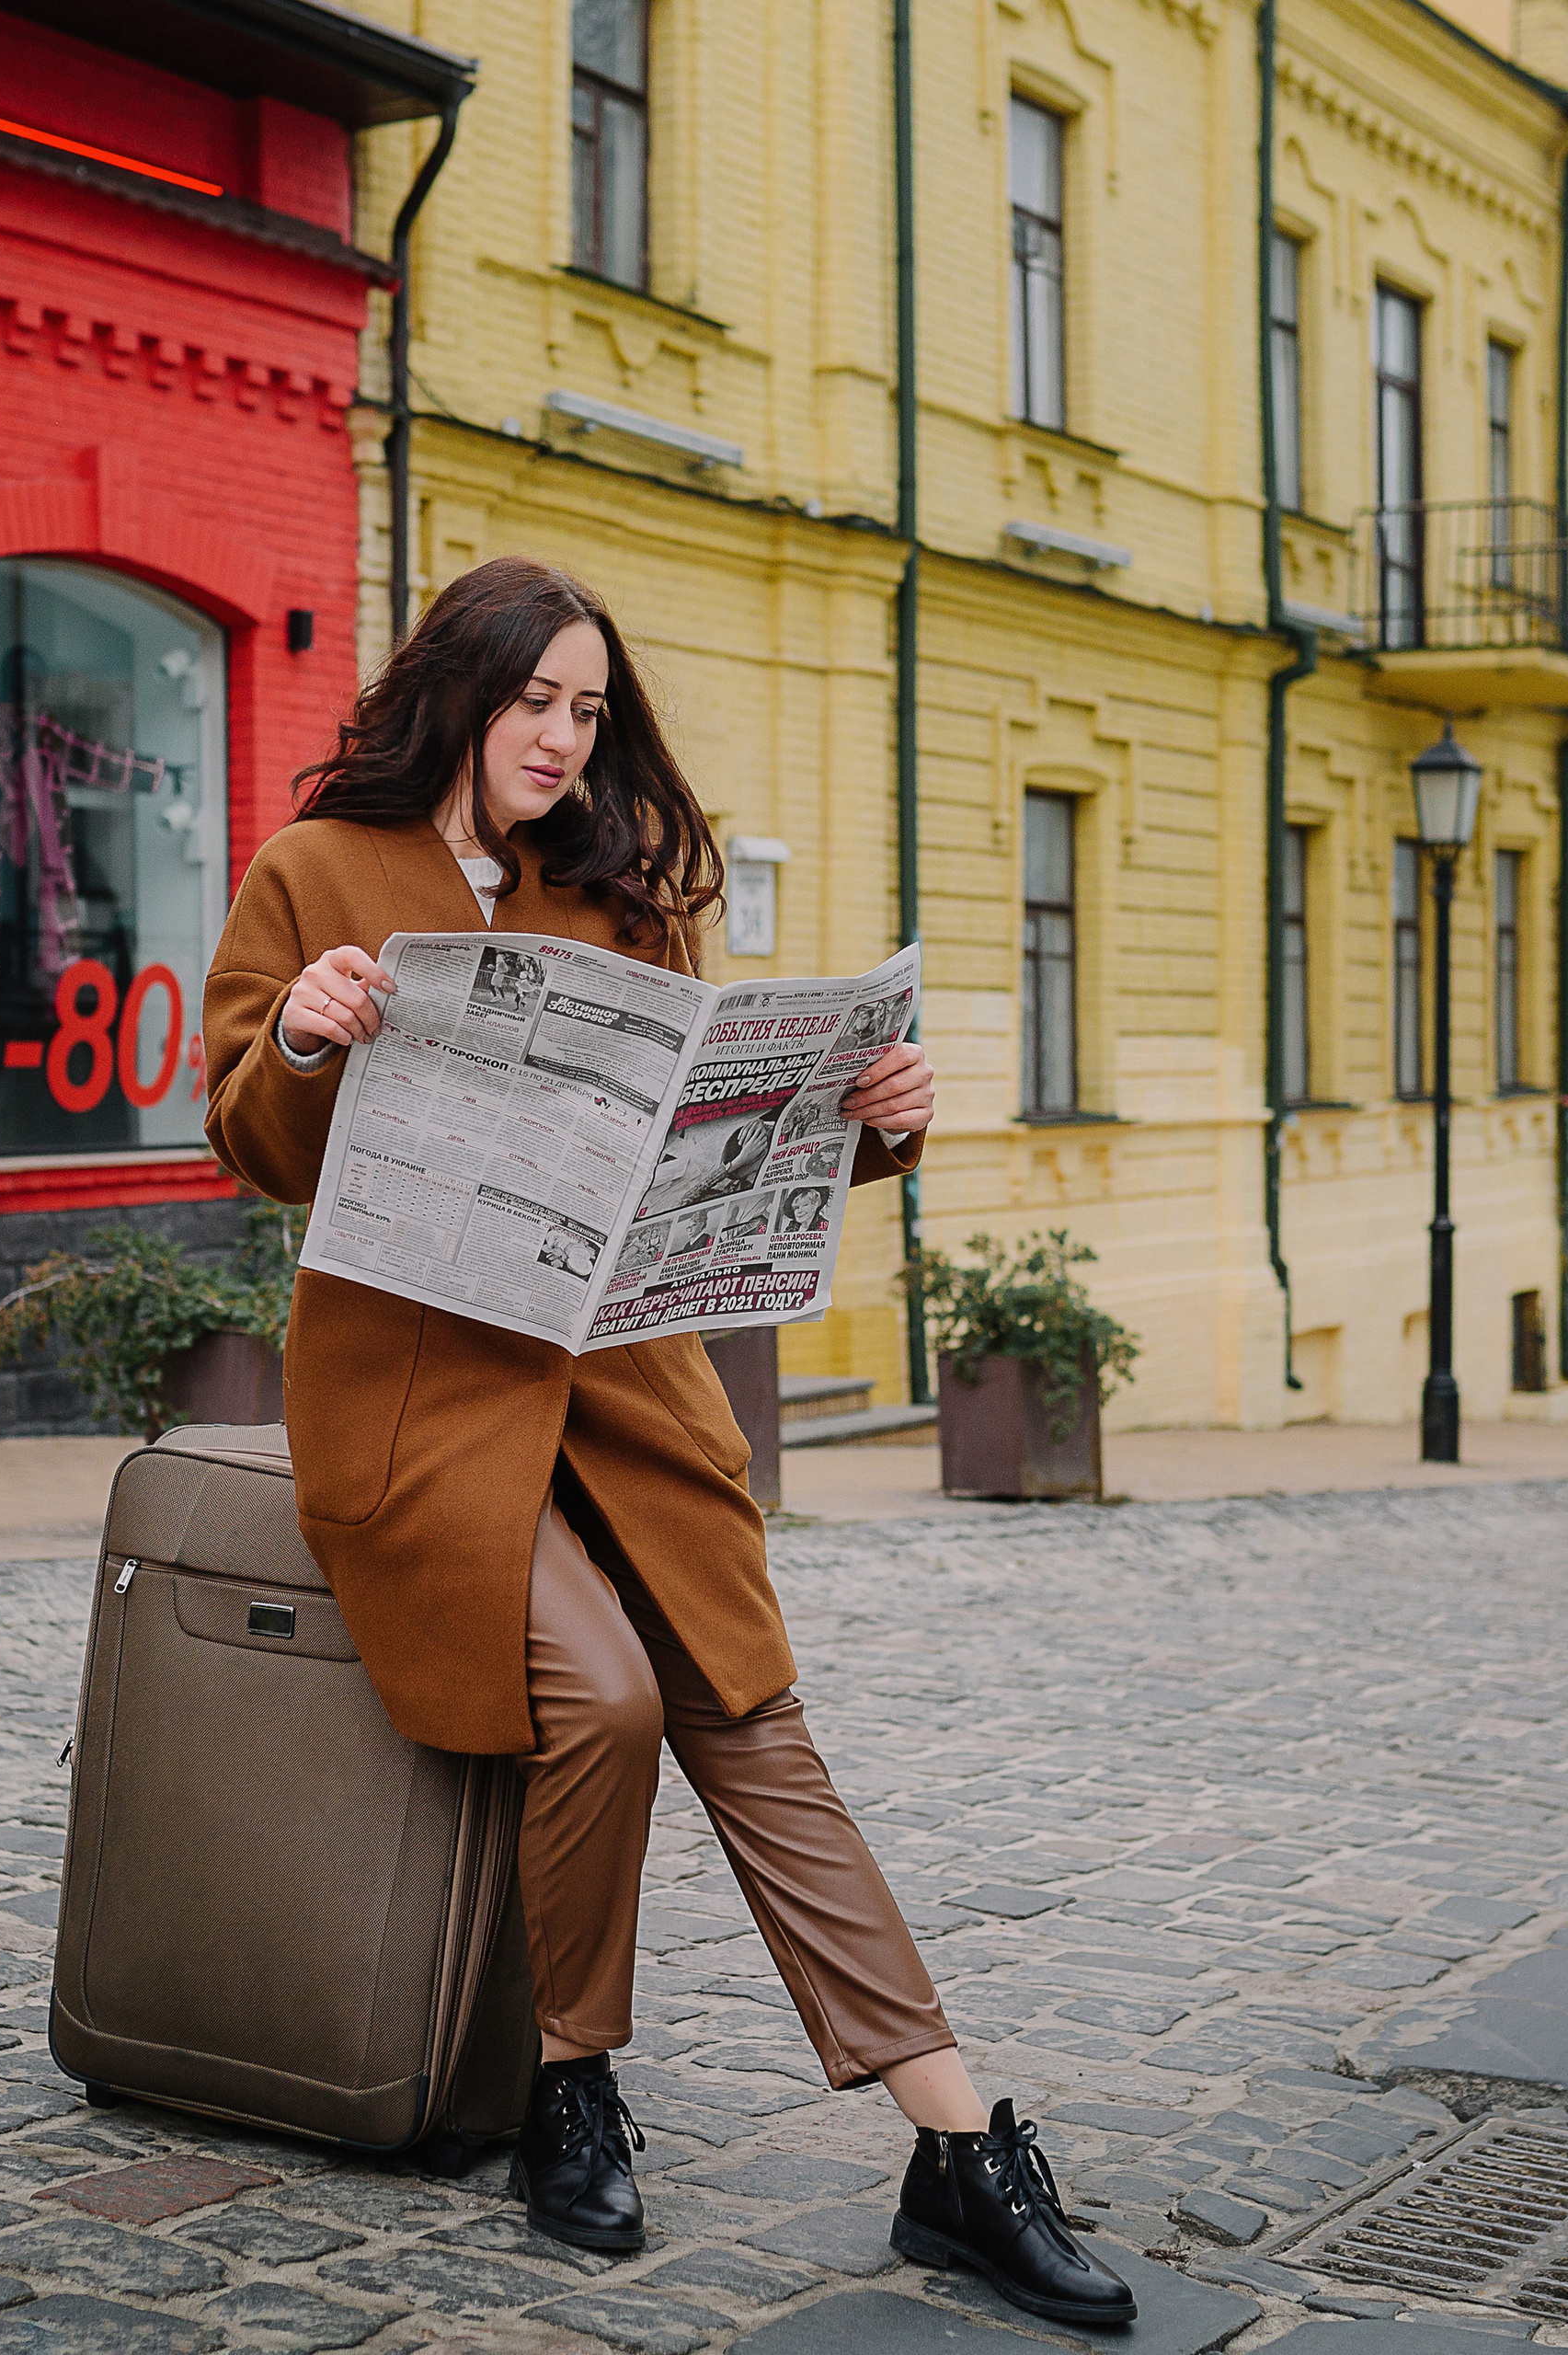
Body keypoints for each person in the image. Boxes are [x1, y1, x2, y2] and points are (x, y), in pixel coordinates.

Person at [202, 557, 1134, 2332]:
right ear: (459, 696)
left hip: (627, 1395)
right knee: (608, 1698)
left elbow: (698, 1152)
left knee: (760, 1733)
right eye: (534, 700)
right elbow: (251, 1139)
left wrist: (860, 1127)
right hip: (420, 1405)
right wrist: (310, 1041)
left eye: (588, 708)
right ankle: (573, 2077)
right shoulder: (316, 874)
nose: (564, 737)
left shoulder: (624, 900)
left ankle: (959, 2154)